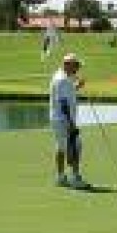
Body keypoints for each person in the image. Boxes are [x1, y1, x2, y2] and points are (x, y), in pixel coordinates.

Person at [49, 53, 90, 189]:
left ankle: (61, 177)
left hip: (58, 119)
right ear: (67, 65)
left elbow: (68, 93)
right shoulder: (62, 80)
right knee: (76, 147)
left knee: (61, 147)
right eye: (76, 66)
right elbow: (63, 104)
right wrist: (71, 124)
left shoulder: (62, 76)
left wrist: (77, 86)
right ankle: (75, 178)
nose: (78, 69)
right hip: (64, 120)